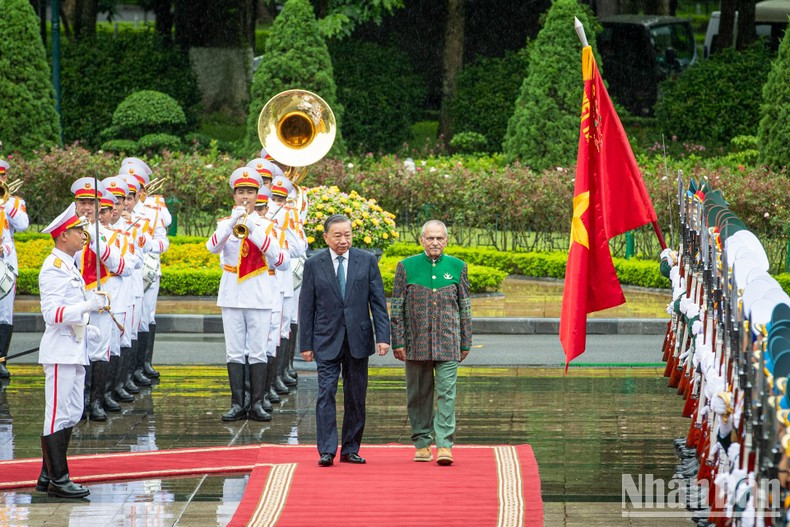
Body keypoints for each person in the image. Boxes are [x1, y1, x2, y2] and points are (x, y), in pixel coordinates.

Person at [299, 214, 390, 467]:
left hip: (358, 339)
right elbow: (306, 307)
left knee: (356, 396)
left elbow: (378, 303)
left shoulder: (367, 260)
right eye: (337, 235)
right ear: (326, 237)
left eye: (347, 235)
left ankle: (350, 448)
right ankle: (327, 450)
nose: (343, 240)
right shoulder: (314, 264)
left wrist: (383, 337)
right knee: (326, 393)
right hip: (326, 339)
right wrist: (305, 344)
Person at [206, 167, 289, 422]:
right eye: (240, 192)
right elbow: (211, 247)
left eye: (250, 192)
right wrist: (232, 223)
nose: (245, 197)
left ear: (257, 196)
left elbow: (282, 260)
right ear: (234, 195)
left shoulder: (267, 225)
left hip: (260, 294)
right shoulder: (225, 224)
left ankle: (257, 402)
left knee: (257, 350)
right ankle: (236, 402)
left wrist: (253, 228)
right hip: (232, 293)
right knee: (233, 351)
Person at [37, 203, 106, 498]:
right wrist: (87, 306)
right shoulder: (53, 268)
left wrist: (85, 322)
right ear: (63, 235)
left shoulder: (69, 265)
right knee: (56, 415)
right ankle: (59, 480)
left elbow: (69, 311)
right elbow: (52, 314)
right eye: (78, 230)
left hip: (73, 348)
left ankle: (46, 474)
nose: (83, 234)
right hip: (59, 352)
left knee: (72, 412)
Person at [390, 220, 472, 466]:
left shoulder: (457, 267)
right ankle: (422, 443)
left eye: (439, 238)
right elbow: (396, 308)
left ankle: (445, 444)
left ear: (446, 241)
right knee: (418, 394)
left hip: (448, 342)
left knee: (447, 393)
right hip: (416, 343)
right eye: (430, 238)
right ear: (421, 240)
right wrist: (398, 341)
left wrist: (465, 342)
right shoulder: (406, 267)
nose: (435, 242)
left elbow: (465, 308)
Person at [0, 158, 29, 379]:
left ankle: (0, 359)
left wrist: (6, 200)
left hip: (6, 263)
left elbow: (23, 225)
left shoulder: (14, 202)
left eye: (1, 177)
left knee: (4, 314)